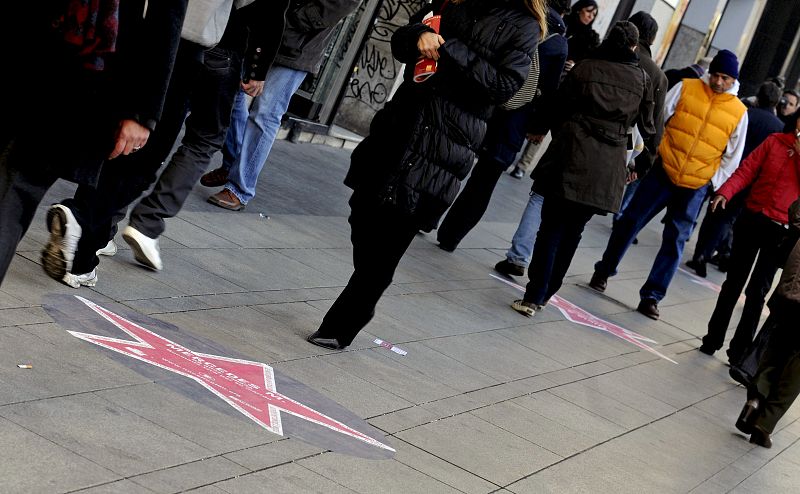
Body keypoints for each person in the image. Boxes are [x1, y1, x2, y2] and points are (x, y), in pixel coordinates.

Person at [306, 0, 546, 350]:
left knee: (393, 237)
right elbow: (403, 39)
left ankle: (342, 325)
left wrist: (449, 48)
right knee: (362, 211)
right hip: (400, 125)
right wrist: (418, 35)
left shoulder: (524, 25)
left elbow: (504, 87)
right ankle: (369, 289)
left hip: (444, 143)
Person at [39, 0, 288, 287]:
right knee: (149, 156)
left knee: (124, 145)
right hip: (190, 42)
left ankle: (86, 248)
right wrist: (259, 63)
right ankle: (86, 220)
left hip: (142, 28)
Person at [99, 0, 304, 272]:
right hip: (223, 47)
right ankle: (147, 222)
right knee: (204, 139)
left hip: (180, 39)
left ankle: (102, 224)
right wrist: (258, 68)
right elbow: (270, 10)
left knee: (152, 128)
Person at [0, 0, 188, 286]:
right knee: (16, 188)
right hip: (78, 64)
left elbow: (165, 16)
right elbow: (166, 17)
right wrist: (143, 112)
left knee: (19, 180)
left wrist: (143, 112)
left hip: (74, 70)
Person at [495, 11, 667, 278]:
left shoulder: (592, 60)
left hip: (571, 144)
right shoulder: (655, 77)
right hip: (612, 157)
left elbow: (561, 101)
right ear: (650, 40)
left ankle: (519, 257)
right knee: (575, 224)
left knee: (542, 198)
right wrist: (641, 165)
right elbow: (653, 129)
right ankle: (548, 281)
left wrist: (549, 130)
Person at [589, 49, 748, 320]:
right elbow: (658, 119)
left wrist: (711, 183)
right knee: (630, 221)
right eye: (715, 75)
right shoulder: (686, 87)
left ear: (733, 80)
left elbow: (733, 156)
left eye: (725, 78)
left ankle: (652, 296)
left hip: (695, 185)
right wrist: (651, 156)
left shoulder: (739, 112)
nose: (718, 81)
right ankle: (604, 270)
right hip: (663, 170)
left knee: (675, 240)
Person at [202, 0, 361, 211]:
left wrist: (293, 20)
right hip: (262, 32)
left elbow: (342, 4)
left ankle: (240, 188)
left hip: (297, 45)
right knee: (230, 93)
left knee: (265, 114)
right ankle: (233, 164)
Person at [435, 0, 568, 252]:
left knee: (448, 161)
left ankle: (427, 215)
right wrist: (538, 128)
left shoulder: (508, 15)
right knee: (483, 183)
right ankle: (451, 236)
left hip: (479, 104)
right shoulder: (557, 43)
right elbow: (550, 93)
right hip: (514, 121)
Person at [698, 111, 800, 361]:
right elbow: (747, 169)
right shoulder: (775, 141)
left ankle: (740, 351)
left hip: (781, 230)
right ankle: (712, 338)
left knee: (757, 291)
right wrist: (725, 192)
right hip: (752, 219)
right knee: (733, 282)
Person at [687, 81, 784, 278]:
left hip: (730, 173)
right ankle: (710, 254)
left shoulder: (745, 114)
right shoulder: (778, 128)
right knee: (727, 220)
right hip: (752, 182)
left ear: (758, 96)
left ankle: (700, 253)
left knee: (713, 214)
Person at [735, 197, 800, 449]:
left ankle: (755, 399)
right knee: (797, 365)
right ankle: (765, 422)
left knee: (778, 345)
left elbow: (795, 212)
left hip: (793, 282)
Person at [562, 0, 600, 72]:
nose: (591, 16)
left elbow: (591, 63)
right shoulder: (563, 24)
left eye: (594, 14)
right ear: (578, 10)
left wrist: (576, 66)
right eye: (588, 11)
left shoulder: (592, 38)